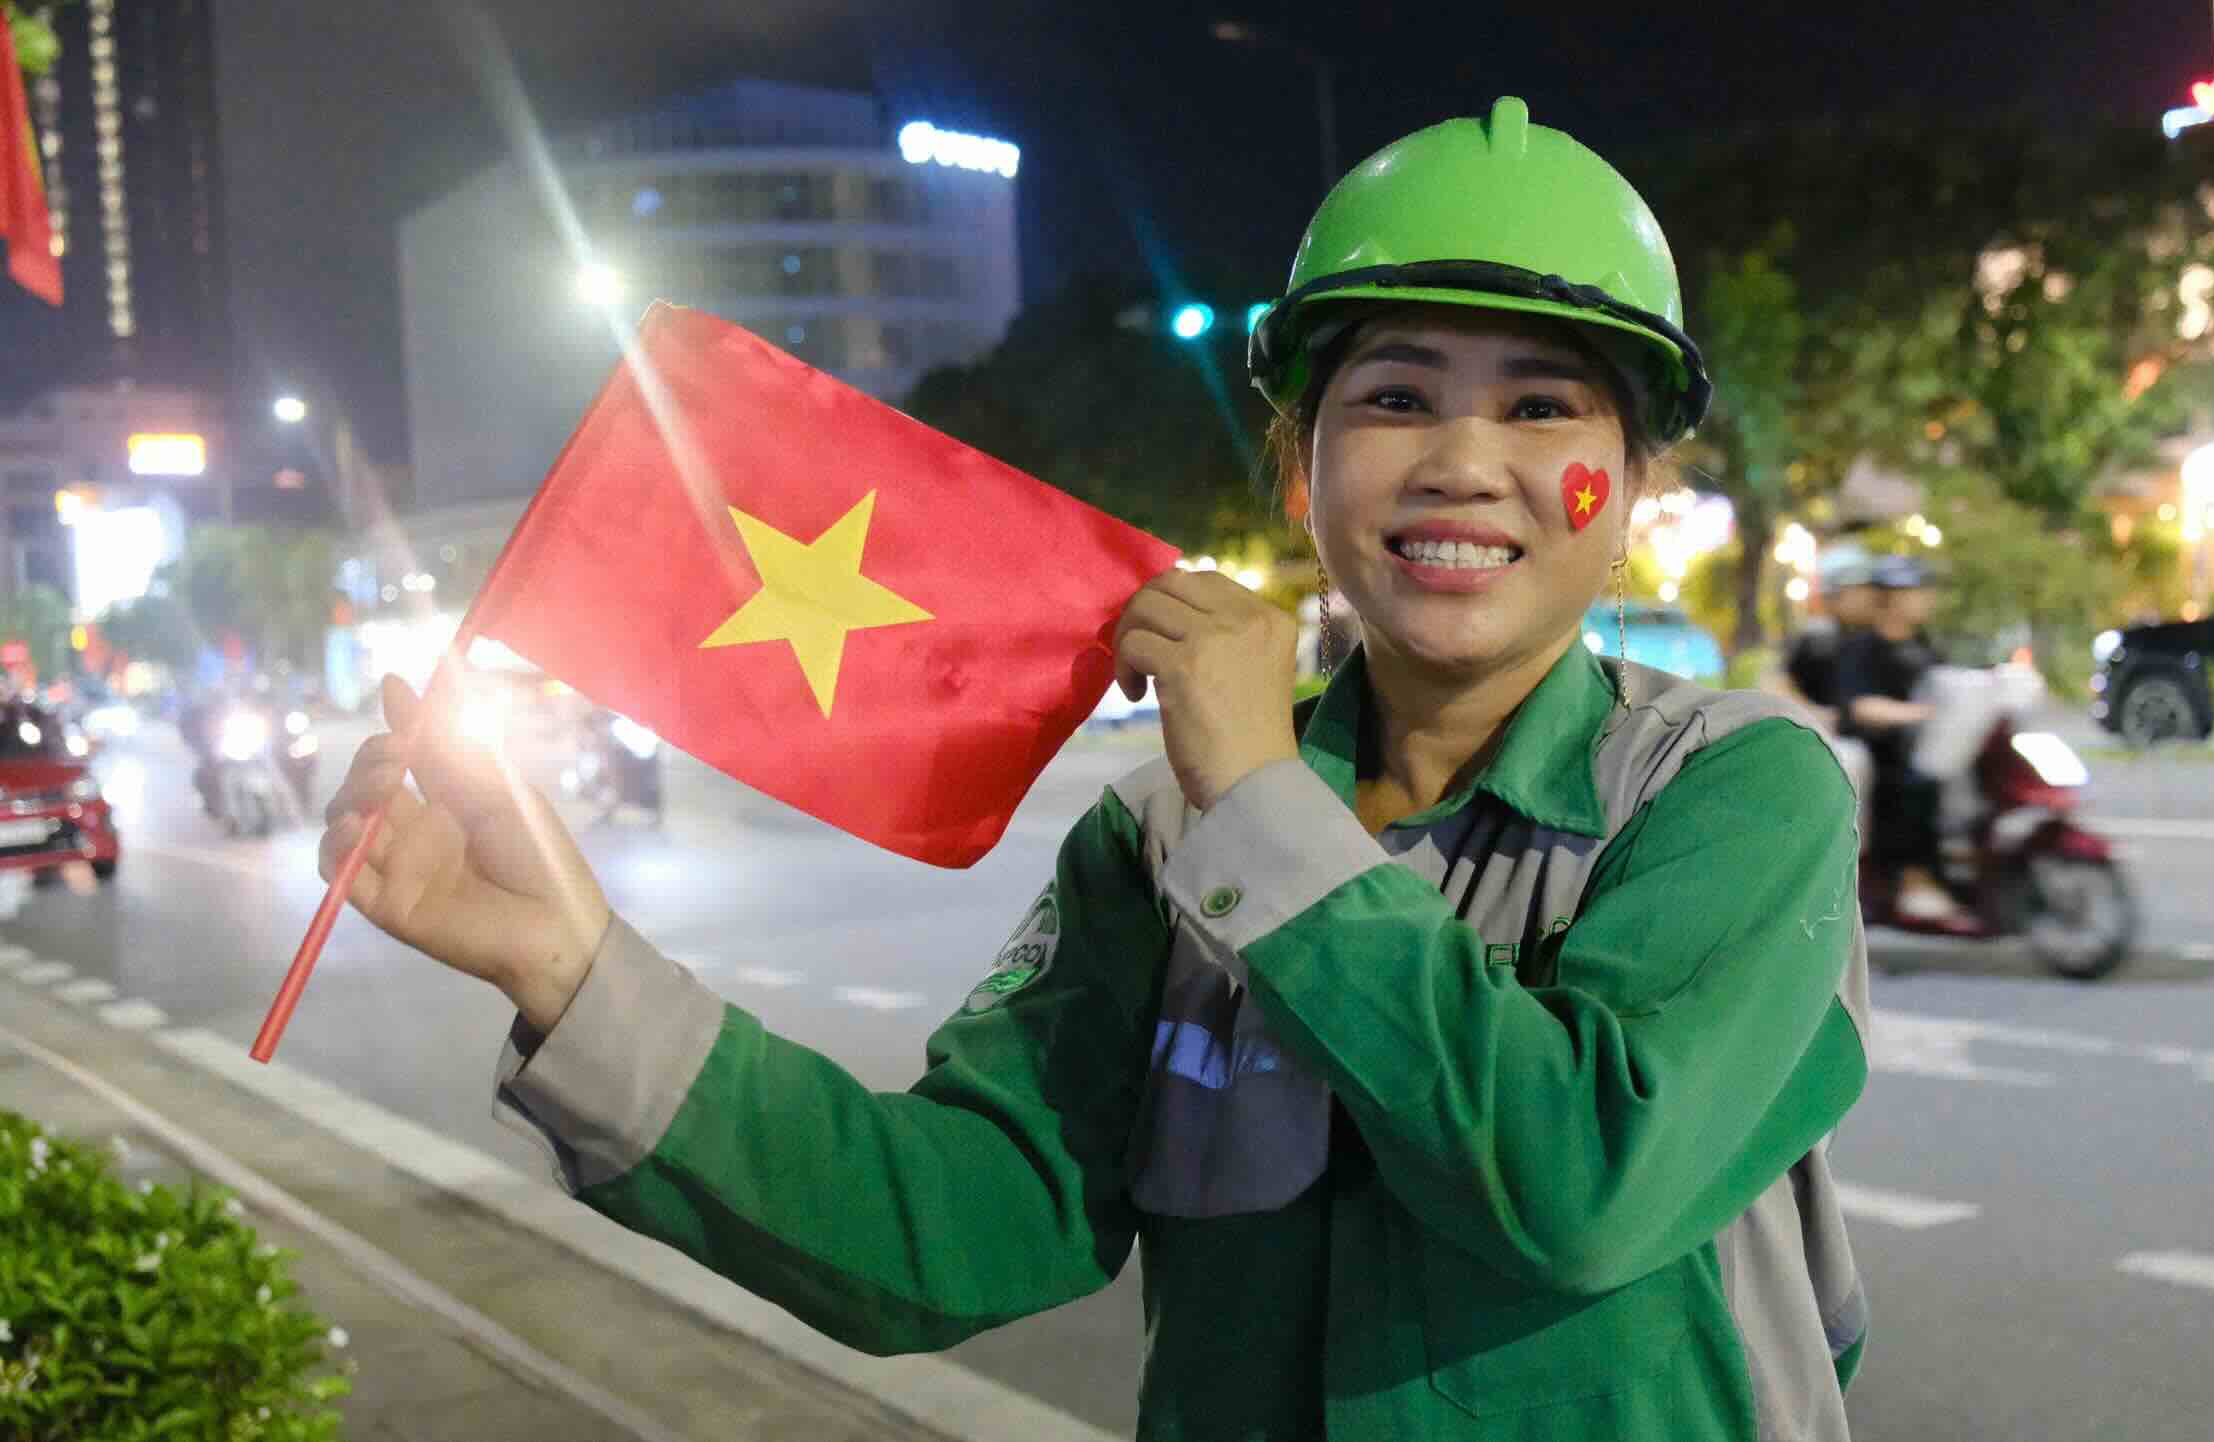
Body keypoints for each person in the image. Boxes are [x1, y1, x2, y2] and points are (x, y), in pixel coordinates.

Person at [320, 98, 1873, 1441]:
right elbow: (943, 1229)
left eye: (1543, 404)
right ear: (1304, 465)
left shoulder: (1737, 791)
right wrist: (566, 962)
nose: (1465, 462)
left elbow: (1585, 1183)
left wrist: (1262, 809)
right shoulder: (1160, 838)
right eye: (1395, 397)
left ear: (1636, 486)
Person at [1835, 554, 1980, 931]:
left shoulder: (1926, 647)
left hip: (1928, 749)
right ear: (1892, 597)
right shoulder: (1862, 649)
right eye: (1919, 591)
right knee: (1914, 786)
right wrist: (1920, 714)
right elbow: (1861, 707)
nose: (1927, 599)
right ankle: (1914, 882)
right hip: (1882, 754)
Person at [1774, 543, 1881, 730]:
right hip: (1829, 737)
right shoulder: (1818, 637)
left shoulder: (1872, 633)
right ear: (1833, 595)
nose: (1869, 597)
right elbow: (1777, 684)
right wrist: (1815, 716)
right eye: (1859, 590)